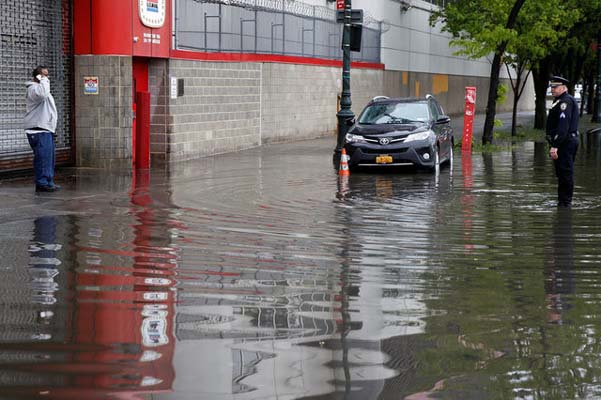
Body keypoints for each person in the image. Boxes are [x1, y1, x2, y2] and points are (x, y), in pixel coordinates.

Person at [24, 66, 60, 192]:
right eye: (43, 75)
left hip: (45, 129)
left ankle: (48, 181)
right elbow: (42, 95)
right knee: (43, 158)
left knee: (48, 158)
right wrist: (43, 80)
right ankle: (42, 183)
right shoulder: (34, 89)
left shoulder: (41, 88)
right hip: (38, 130)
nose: (46, 77)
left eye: (47, 75)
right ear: (37, 76)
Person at [546, 76, 579, 207]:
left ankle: (565, 203)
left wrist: (555, 146)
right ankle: (563, 201)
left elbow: (563, 127)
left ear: (563, 87)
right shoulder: (560, 100)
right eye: (552, 87)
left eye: (555, 87)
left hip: (565, 142)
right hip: (564, 142)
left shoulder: (565, 102)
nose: (552, 89)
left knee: (565, 173)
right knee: (562, 173)